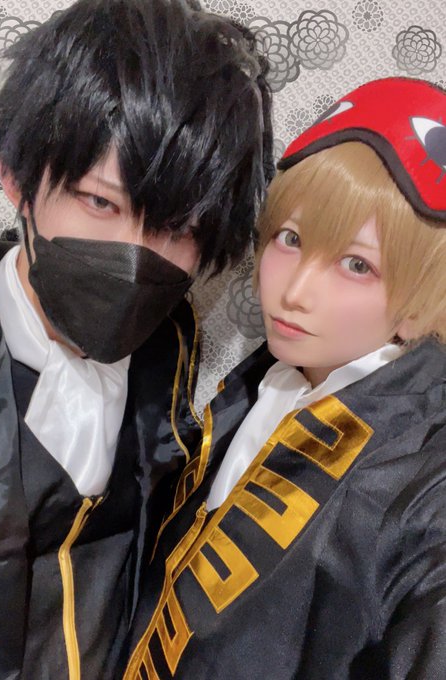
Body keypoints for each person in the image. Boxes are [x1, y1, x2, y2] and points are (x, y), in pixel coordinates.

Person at [123, 77, 446, 679]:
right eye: (291, 239)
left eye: (357, 264)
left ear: (424, 296)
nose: (294, 292)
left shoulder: (421, 477)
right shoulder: (270, 382)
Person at [0, 0, 273, 677]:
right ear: (16, 180)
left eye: (176, 229)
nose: (135, 256)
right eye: (100, 202)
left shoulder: (171, 341)